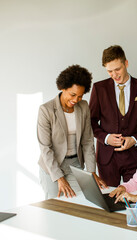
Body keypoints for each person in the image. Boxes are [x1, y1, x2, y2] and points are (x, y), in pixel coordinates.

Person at [37, 65, 107, 200]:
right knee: (55, 207)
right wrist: (59, 178)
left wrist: (92, 173)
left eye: (80, 96)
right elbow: (46, 148)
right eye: (73, 95)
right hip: (52, 166)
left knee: (82, 202)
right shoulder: (46, 110)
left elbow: (87, 142)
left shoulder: (83, 107)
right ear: (63, 88)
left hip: (75, 165)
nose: (76, 100)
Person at [89, 45, 137, 186]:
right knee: (109, 199)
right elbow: (91, 122)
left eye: (117, 69)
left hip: (136, 156)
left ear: (126, 63)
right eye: (109, 71)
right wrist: (106, 138)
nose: (114, 75)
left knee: (134, 198)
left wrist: (134, 139)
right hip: (107, 157)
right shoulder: (99, 89)